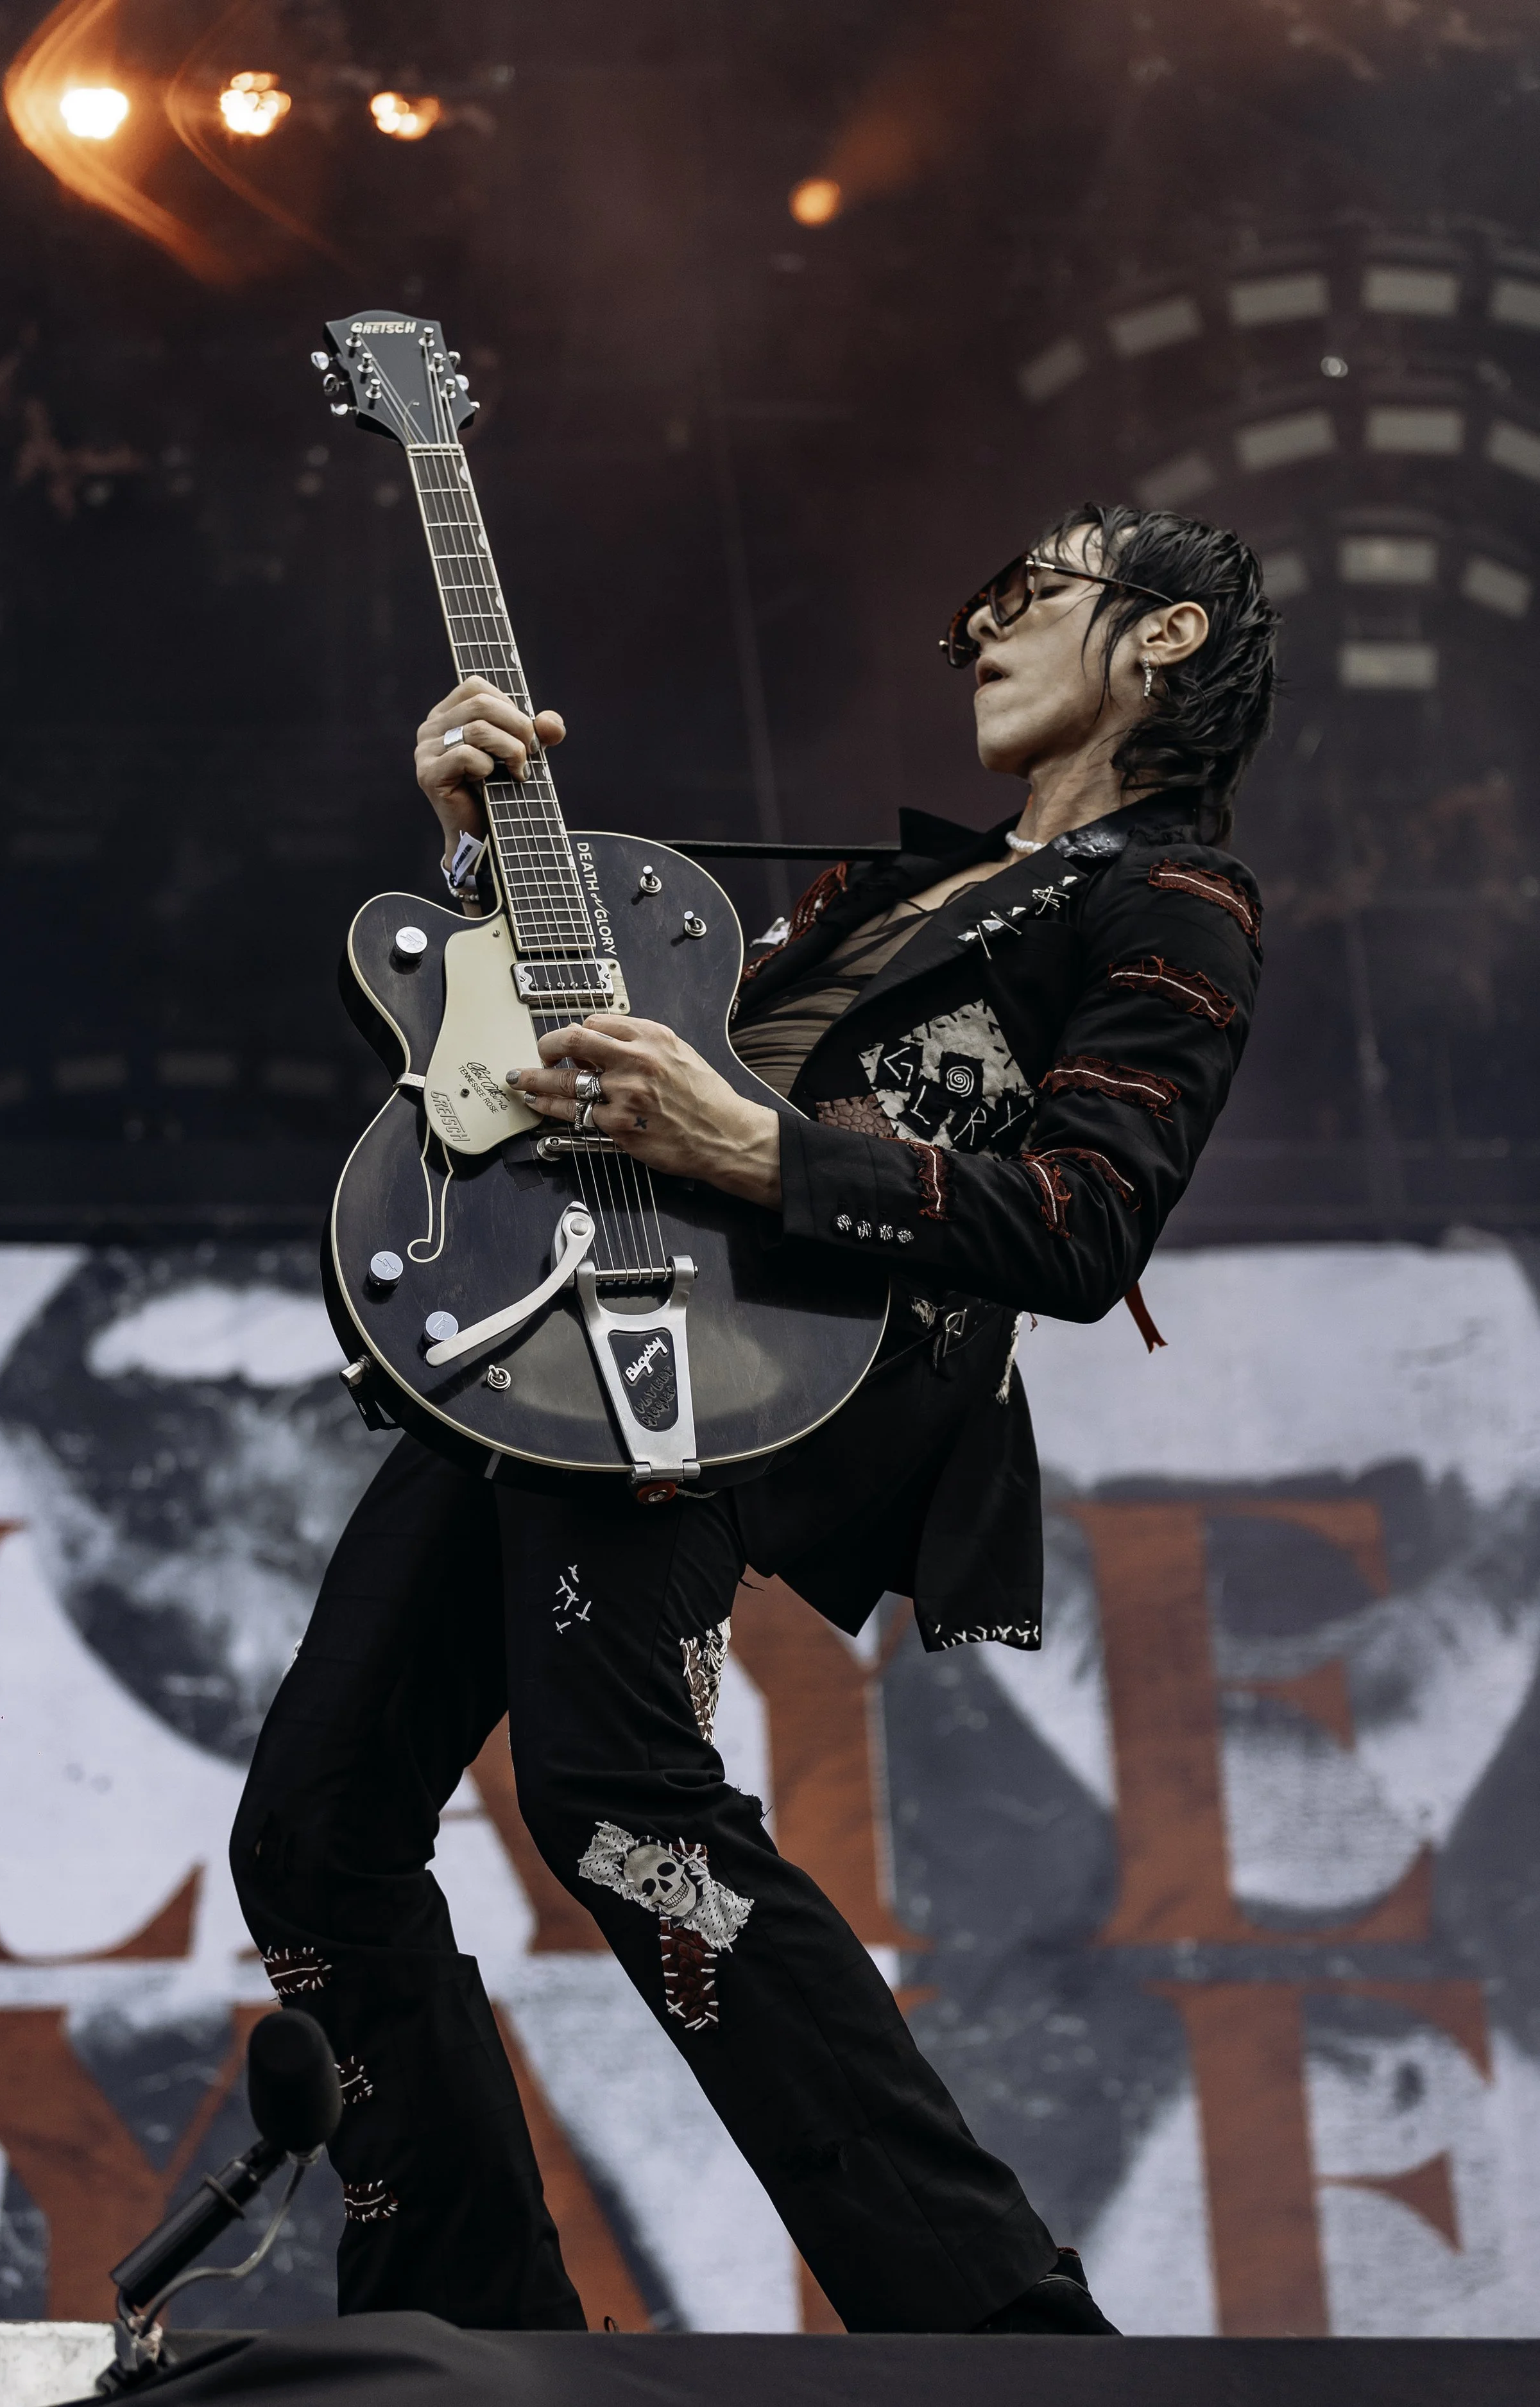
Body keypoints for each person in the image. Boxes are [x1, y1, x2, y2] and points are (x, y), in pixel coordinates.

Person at [230, 501, 1277, 2336]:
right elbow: (605, 1062)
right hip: (567, 1320)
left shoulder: (1171, 898)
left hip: (791, 1355)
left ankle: (990, 2323)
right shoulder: (884, 889)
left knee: (617, 1792)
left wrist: (747, 1146)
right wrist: (485, 864)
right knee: (312, 1823)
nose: (981, 628)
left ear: (1166, 636)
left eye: (1027, 589)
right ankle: (464, 2308)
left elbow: (1090, 1217)